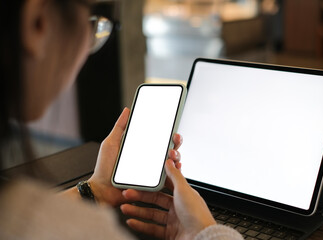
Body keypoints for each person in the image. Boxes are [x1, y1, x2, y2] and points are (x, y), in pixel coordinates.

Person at [0, 0, 244, 239]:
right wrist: (206, 232)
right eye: (94, 21)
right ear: (37, 22)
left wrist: (96, 190)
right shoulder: (88, 231)